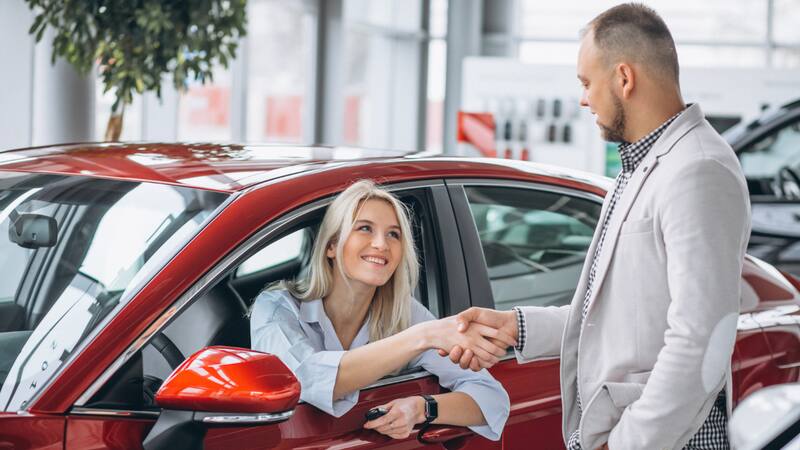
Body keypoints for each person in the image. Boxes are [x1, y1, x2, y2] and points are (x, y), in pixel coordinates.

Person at [447, 4, 751, 450]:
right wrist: (515, 326)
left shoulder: (698, 169)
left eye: (587, 83)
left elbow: (701, 342)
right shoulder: (643, 166)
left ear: (624, 78)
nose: (583, 99)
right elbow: (615, 316)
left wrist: (626, 443)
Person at [250, 180, 511, 441]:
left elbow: (492, 398)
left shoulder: (404, 313)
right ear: (331, 245)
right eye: (365, 228)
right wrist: (420, 338)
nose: (381, 244)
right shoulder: (275, 307)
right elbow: (302, 380)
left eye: (393, 234)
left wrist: (421, 408)